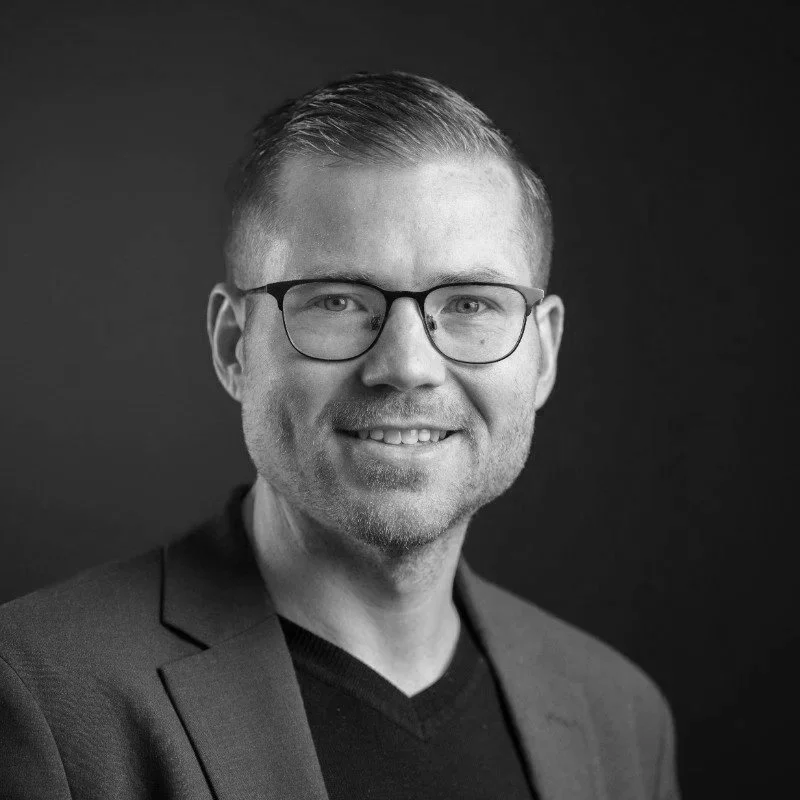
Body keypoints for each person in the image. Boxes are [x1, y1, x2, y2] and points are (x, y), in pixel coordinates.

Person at [0, 71, 680, 799]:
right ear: (234, 346)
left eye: (473, 303)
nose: (408, 366)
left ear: (541, 355)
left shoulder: (621, 717)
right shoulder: (42, 697)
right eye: (338, 301)